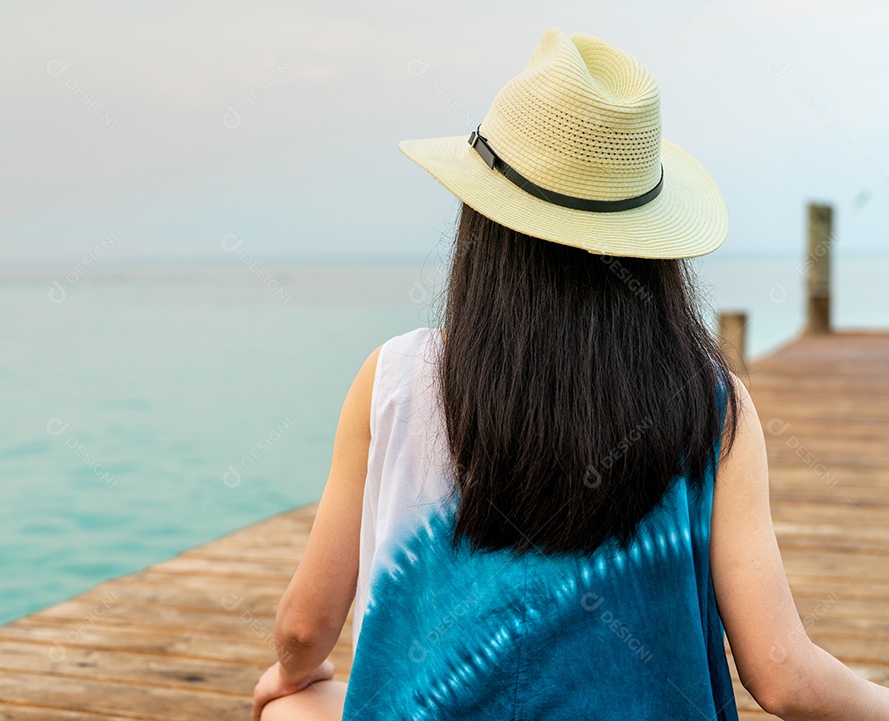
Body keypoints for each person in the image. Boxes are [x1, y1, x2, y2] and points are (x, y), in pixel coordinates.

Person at [251, 27, 889, 720]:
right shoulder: (708, 404)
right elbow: (784, 676)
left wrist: (292, 675)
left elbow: (302, 627)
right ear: (650, 246)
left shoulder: (396, 378)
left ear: (484, 226)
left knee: (298, 705)